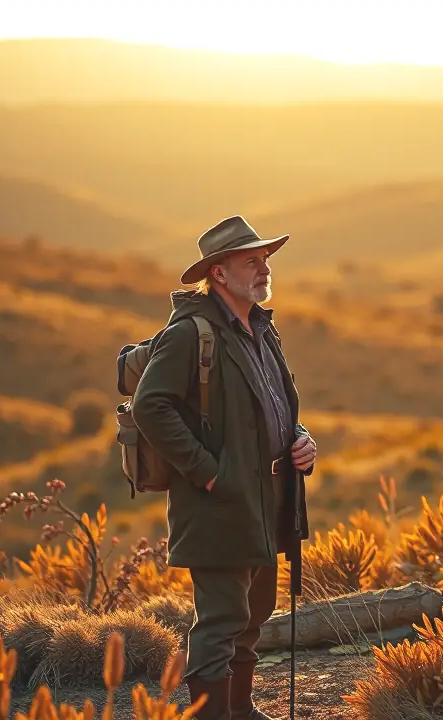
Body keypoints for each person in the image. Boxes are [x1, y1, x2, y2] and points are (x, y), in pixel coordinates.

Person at [132, 215, 317, 720]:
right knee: (220, 621)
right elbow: (151, 406)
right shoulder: (190, 334)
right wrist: (207, 471)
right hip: (217, 502)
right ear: (218, 273)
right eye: (250, 261)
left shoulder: (260, 327)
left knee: (253, 616)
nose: (263, 269)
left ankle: (242, 712)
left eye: (264, 260)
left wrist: (300, 440)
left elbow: (276, 406)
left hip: (264, 502)